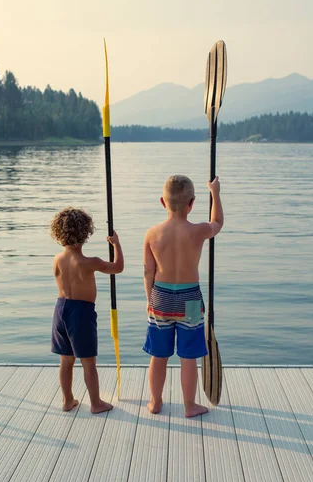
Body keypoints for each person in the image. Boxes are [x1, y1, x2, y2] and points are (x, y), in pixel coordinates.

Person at [143, 175, 224, 417]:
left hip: (161, 298)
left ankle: (155, 402)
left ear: (162, 202)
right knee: (188, 356)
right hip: (189, 299)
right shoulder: (198, 230)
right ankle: (189, 406)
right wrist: (216, 193)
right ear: (192, 204)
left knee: (159, 355)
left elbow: (148, 271)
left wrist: (150, 299)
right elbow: (217, 222)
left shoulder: (152, 233)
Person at [50, 207, 124, 413]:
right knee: (88, 361)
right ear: (85, 234)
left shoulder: (57, 259)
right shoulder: (90, 262)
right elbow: (118, 267)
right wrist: (116, 244)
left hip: (60, 310)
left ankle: (67, 400)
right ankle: (96, 403)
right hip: (81, 313)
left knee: (66, 359)